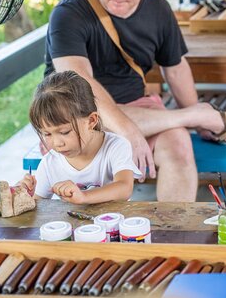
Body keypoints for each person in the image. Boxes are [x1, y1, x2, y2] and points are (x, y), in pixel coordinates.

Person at [44, 0, 226, 202]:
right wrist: (127, 131)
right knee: (84, 118)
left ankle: (173, 236)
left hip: (139, 107)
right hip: (73, 117)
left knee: (179, 143)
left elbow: (175, 67)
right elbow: (80, 85)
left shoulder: (158, 7)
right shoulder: (68, 14)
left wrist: (197, 126)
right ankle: (197, 114)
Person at [21, 71, 141, 204]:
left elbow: (124, 188)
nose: (57, 143)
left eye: (65, 132)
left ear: (91, 121)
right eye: (47, 134)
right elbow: (38, 206)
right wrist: (25, 196)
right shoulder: (49, 163)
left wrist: (84, 196)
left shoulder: (116, 146)